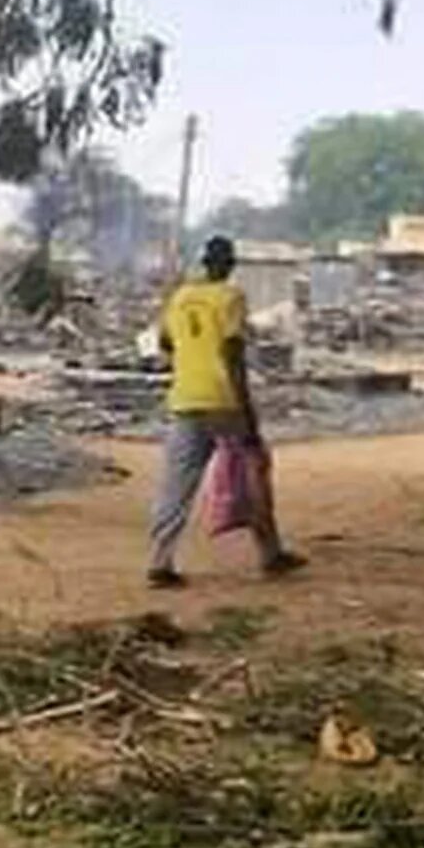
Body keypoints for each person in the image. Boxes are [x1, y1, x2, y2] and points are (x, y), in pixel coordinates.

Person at [147, 235, 305, 588]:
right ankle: (271, 554)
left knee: (176, 485)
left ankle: (160, 562)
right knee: (253, 472)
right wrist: (246, 411)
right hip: (222, 398)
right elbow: (233, 355)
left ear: (205, 263)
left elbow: (165, 342)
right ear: (230, 265)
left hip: (185, 398)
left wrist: (192, 354)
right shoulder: (231, 296)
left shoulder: (181, 296)